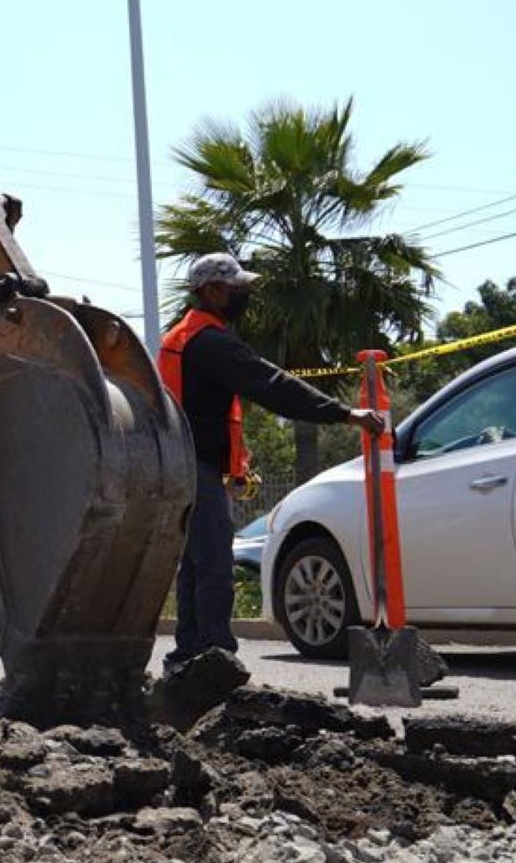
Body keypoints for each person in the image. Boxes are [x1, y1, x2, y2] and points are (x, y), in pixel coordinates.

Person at [158, 252, 387, 675]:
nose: (243, 294)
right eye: (235, 288)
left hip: (177, 463)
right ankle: (213, 657)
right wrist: (344, 413)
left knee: (194, 565)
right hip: (194, 466)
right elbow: (272, 385)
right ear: (210, 291)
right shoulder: (210, 342)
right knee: (212, 563)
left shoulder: (181, 336)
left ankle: (187, 656)